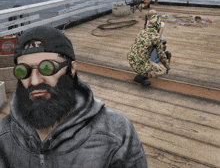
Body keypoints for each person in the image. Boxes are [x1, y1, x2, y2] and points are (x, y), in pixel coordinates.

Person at [0, 26, 149, 168]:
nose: (34, 81)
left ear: (71, 69)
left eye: (47, 67)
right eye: (22, 71)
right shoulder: (3, 134)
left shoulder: (116, 130)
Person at [127, 10, 170, 87]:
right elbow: (161, 54)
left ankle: (141, 74)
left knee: (146, 60)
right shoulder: (157, 34)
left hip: (131, 59)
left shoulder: (141, 32)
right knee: (160, 69)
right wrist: (167, 66)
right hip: (142, 61)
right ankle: (142, 78)